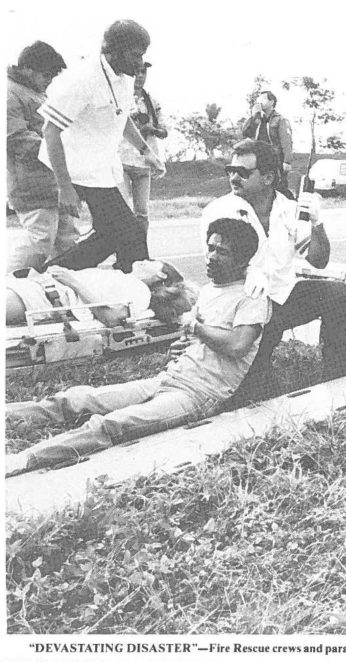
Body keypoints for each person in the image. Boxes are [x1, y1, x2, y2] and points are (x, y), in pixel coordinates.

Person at [5, 217, 268, 477]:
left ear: (243, 260)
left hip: (199, 394)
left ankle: (26, 459)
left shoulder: (252, 297)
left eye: (222, 252)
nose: (211, 256)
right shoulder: (212, 290)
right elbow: (201, 337)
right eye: (210, 248)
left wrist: (194, 328)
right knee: (77, 399)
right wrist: (185, 345)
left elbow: (237, 345)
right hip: (169, 378)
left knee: (112, 425)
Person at [202, 139, 346, 402]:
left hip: (282, 298)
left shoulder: (288, 209)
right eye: (231, 170)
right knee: (253, 396)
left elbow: (319, 261)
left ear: (268, 177)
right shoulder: (220, 210)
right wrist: (247, 272)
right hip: (243, 306)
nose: (234, 177)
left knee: (337, 293)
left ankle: (338, 373)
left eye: (243, 172)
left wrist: (317, 224)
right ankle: (254, 377)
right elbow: (214, 269)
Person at [38, 19, 164, 274]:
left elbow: (121, 117)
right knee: (130, 232)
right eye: (135, 55)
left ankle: (47, 277)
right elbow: (50, 131)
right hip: (73, 168)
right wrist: (65, 188)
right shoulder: (82, 78)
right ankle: (143, 286)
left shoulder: (124, 78)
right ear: (113, 50)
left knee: (110, 235)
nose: (140, 63)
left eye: (143, 55)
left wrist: (145, 151)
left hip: (99, 169)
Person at [7, 41, 76, 272]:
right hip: (30, 186)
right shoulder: (9, 94)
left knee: (67, 244)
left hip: (52, 185)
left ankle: (65, 298)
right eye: (46, 75)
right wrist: (57, 148)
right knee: (39, 243)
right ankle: (8, 285)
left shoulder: (35, 93)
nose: (49, 81)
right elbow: (16, 137)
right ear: (27, 68)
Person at [6, 259, 189, 328]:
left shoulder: (141, 292)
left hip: (42, 297)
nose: (143, 260)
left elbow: (112, 318)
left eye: (151, 262)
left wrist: (72, 281)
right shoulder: (122, 278)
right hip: (36, 287)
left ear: (161, 275)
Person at [118, 61, 167, 238]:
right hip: (121, 159)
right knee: (121, 211)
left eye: (143, 72)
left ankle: (140, 248)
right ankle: (122, 250)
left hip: (143, 162)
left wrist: (150, 129)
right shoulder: (121, 98)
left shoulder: (152, 103)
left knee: (142, 213)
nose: (140, 76)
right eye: (136, 72)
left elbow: (163, 130)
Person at [241, 90, 293, 194]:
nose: (259, 102)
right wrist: (253, 116)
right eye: (258, 99)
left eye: (263, 99)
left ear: (271, 102)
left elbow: (286, 141)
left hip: (276, 159)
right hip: (260, 158)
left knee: (279, 187)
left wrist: (287, 161)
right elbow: (245, 132)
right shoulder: (257, 119)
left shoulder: (280, 120)